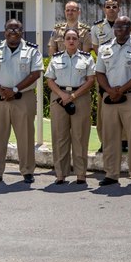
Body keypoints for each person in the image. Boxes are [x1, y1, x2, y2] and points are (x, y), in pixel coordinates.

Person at [0, 19, 44, 185]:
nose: (13, 31)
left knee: (26, 136)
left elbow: (35, 73)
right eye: (10, 28)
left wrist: (14, 89)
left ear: (22, 32)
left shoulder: (32, 50)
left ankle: (28, 171)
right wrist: (1, 91)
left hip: (23, 98)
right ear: (4, 32)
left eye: (17, 29)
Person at [94, 16, 131, 187]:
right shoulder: (105, 48)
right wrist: (111, 91)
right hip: (109, 97)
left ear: (130, 28)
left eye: (124, 26)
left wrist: (122, 89)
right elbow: (99, 73)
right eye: (117, 26)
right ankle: (111, 173)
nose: (120, 29)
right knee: (109, 136)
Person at [44, 28, 96, 185]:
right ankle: (61, 173)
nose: (71, 41)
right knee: (60, 136)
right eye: (68, 38)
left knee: (80, 136)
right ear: (64, 41)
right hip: (60, 98)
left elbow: (90, 80)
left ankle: (81, 174)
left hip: (79, 97)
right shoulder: (56, 58)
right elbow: (50, 80)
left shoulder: (86, 58)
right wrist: (62, 95)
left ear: (79, 41)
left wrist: (73, 96)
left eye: (74, 38)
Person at [91, 0, 131, 152]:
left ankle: (123, 140)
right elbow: (96, 49)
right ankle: (105, 141)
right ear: (104, 9)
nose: (111, 9)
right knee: (103, 110)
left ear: (119, 8)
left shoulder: (128, 26)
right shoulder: (96, 28)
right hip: (104, 74)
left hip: (123, 72)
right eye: (108, 6)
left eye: (114, 6)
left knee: (123, 107)